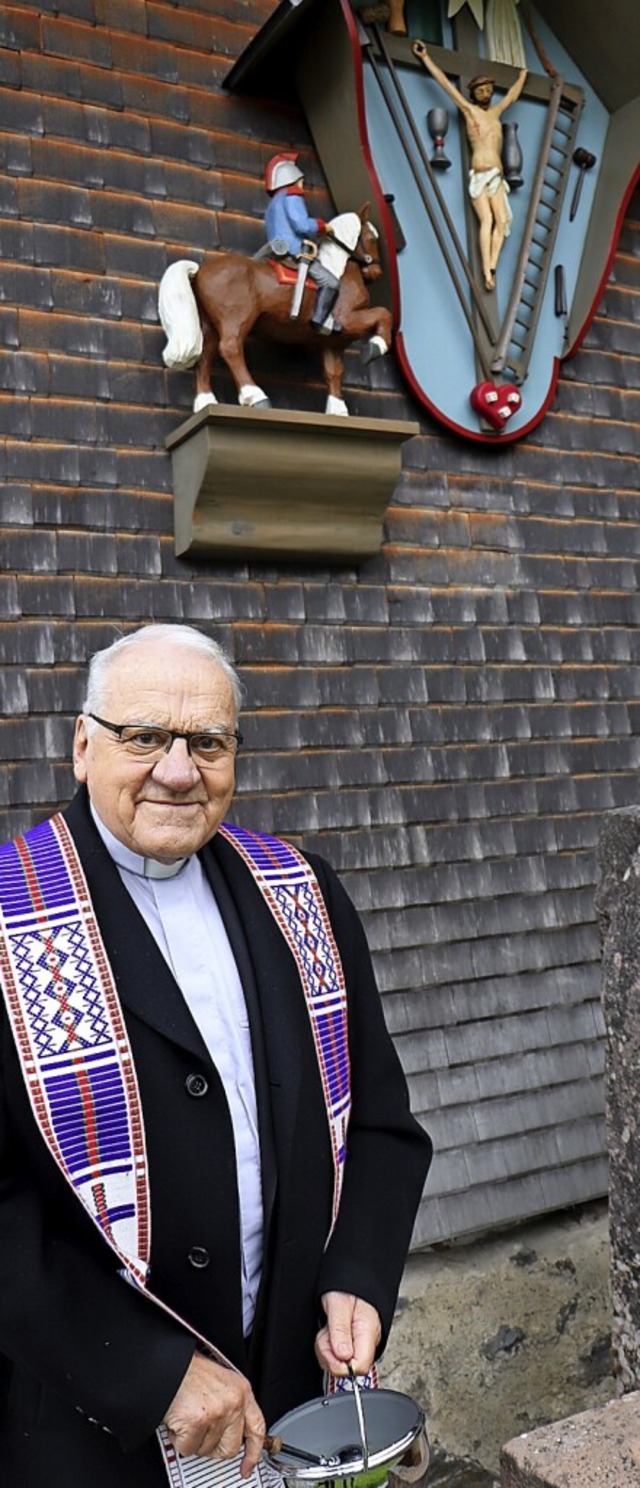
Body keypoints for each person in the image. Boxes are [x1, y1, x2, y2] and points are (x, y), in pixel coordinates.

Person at [0, 624, 432, 1488]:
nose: (177, 769)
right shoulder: (10, 924)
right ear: (82, 746)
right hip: (92, 1430)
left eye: (209, 742)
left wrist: (357, 1278)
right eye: (145, 736)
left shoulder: (301, 893)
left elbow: (380, 1124)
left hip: (286, 1396)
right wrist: (151, 1372)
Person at [413, 41, 527, 290]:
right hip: (479, 174)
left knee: (503, 222)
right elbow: (445, 85)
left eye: (488, 89)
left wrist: (522, 75)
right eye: (480, 90)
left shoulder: (496, 113)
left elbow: (512, 96)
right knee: (486, 220)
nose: (485, 93)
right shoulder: (469, 111)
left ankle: (492, 267)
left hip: (497, 175)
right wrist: (426, 58)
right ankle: (486, 270)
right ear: (473, 94)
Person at [263, 153, 343, 334]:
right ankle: (320, 320)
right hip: (294, 249)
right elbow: (301, 224)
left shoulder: (273, 203)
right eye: (301, 180)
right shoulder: (293, 195)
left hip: (277, 249)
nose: (302, 184)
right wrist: (323, 226)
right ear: (292, 178)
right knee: (331, 283)